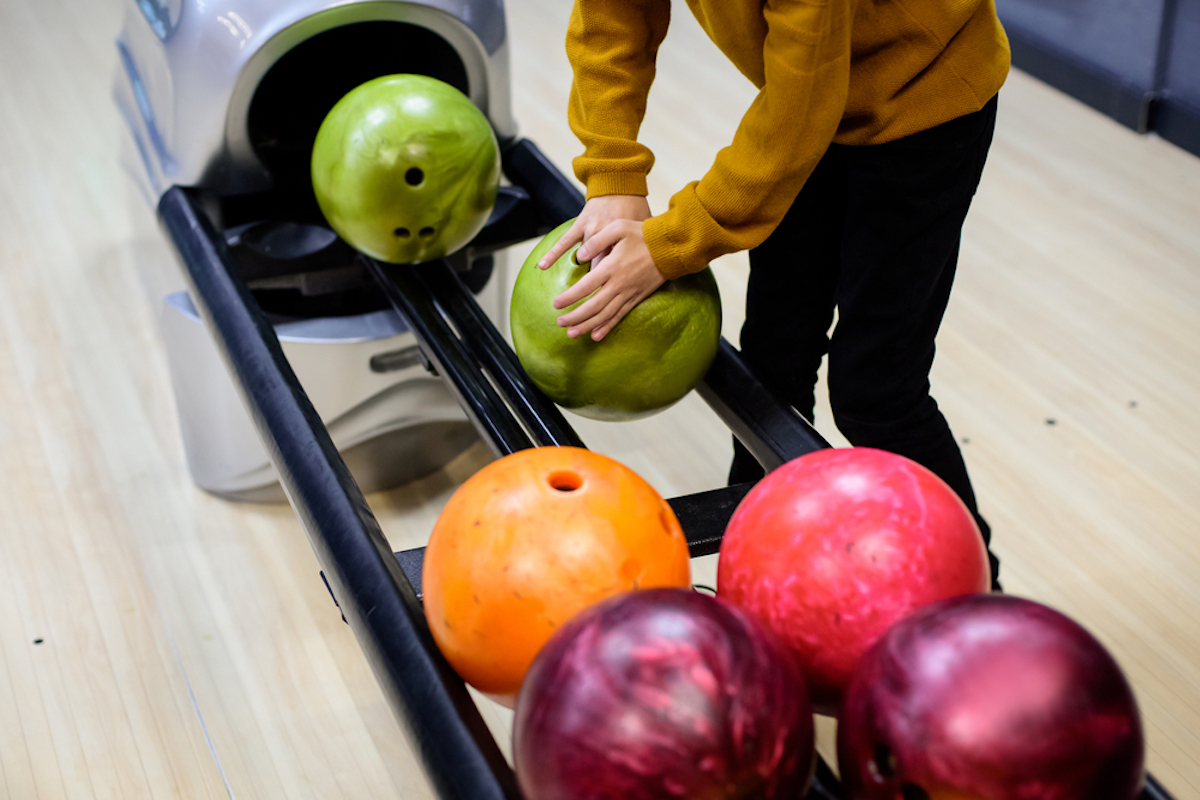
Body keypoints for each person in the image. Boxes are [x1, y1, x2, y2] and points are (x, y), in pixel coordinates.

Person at [537, 0, 1008, 588]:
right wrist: (612, 173)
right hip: (808, 94)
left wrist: (668, 244)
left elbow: (801, 110)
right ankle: (757, 575)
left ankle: (979, 594)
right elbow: (614, 16)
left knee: (877, 391)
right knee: (770, 369)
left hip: (921, 101)